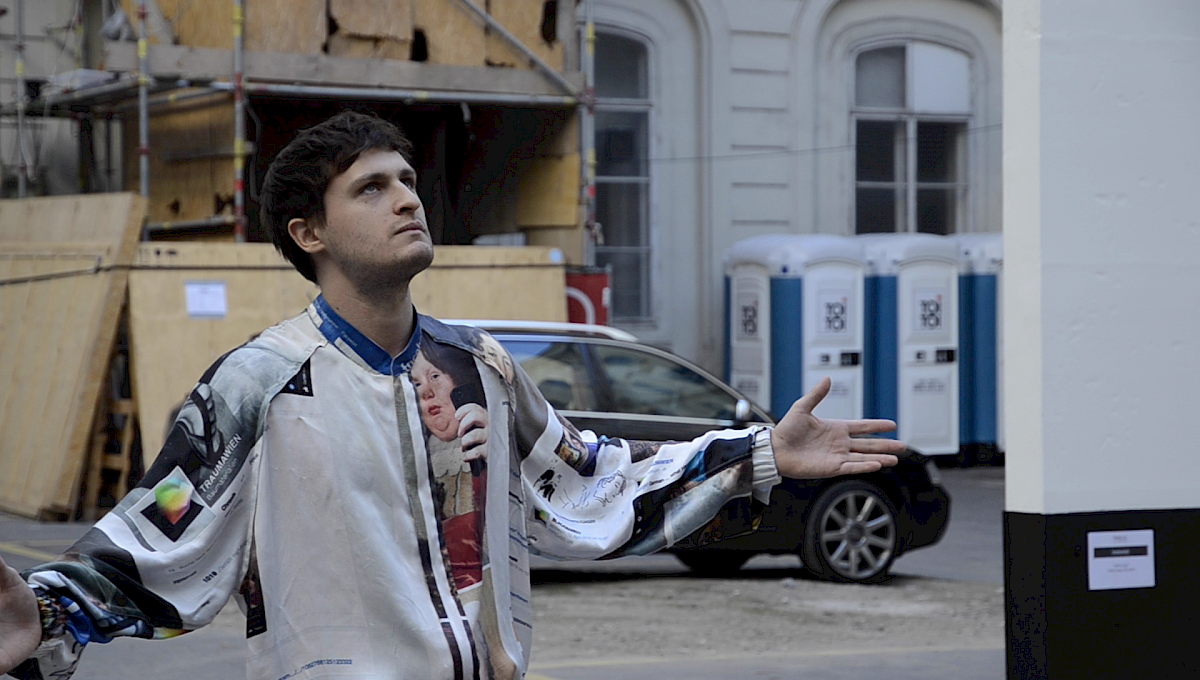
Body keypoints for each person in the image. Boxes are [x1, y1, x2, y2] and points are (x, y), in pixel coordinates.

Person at [0, 111, 904, 680]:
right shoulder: (257, 383)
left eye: (406, 179)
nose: (407, 198)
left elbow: (587, 481)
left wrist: (758, 453)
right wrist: (39, 612)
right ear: (309, 233)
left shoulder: (481, 365)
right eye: (372, 187)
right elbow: (158, 537)